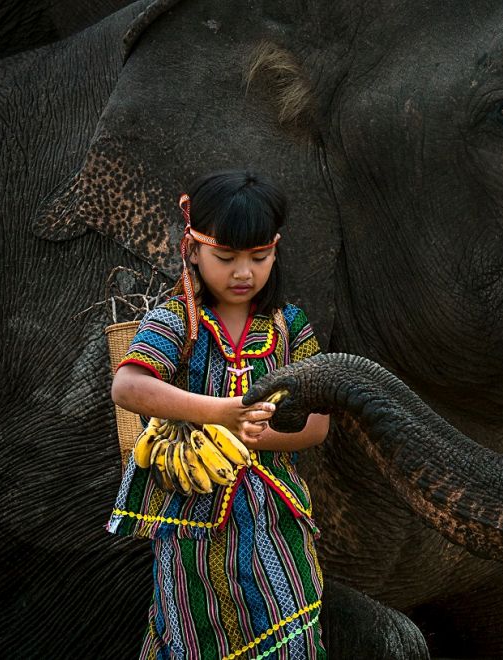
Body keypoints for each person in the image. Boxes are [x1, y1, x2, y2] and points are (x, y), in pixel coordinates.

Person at [107, 169, 329, 659]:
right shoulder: (174, 319)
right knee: (194, 637)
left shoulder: (290, 326)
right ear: (193, 250)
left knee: (293, 637)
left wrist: (251, 436)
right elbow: (128, 385)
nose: (244, 273)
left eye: (260, 257)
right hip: (191, 519)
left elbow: (317, 424)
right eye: (225, 258)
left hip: (278, 516)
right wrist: (220, 414)